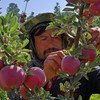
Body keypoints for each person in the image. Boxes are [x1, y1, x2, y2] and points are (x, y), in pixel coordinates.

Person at [21, 13, 100, 100]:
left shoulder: (80, 69)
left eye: (56, 37)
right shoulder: (23, 73)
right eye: (43, 38)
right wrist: (44, 76)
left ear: (64, 42)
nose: (51, 43)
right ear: (33, 46)